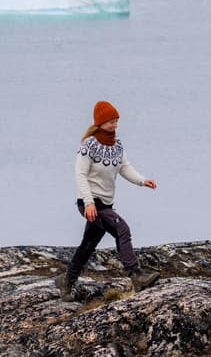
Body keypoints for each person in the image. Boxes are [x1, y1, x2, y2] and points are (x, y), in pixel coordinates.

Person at [55, 100, 160, 301]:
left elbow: (125, 168)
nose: (115, 125)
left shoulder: (117, 145)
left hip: (105, 204)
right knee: (122, 229)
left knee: (88, 244)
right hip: (91, 203)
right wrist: (88, 202)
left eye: (116, 121)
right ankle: (136, 275)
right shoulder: (88, 146)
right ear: (101, 123)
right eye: (111, 121)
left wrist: (142, 181)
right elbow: (80, 175)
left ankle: (66, 281)